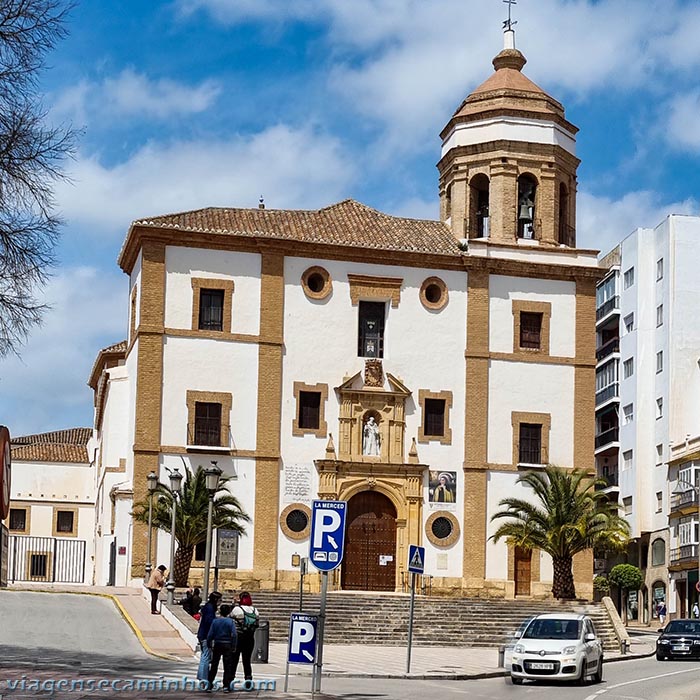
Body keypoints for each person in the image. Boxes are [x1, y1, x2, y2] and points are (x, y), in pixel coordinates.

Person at [230, 591, 259, 683]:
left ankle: (230, 679)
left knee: (234, 660)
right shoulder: (255, 610)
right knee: (247, 661)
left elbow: (230, 616)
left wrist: (234, 604)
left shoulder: (237, 609)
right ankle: (248, 679)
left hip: (238, 637)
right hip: (250, 638)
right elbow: (257, 624)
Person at [208, 603, 237, 691]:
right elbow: (234, 634)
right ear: (228, 612)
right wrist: (234, 645)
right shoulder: (230, 622)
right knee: (227, 665)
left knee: (214, 664)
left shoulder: (215, 621)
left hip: (217, 644)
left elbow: (210, 634)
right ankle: (226, 685)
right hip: (227, 644)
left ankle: (209, 683)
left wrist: (209, 643)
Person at [197, 591, 223, 682]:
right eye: (220, 600)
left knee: (204, 656)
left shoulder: (208, 607)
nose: (221, 602)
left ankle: (202, 676)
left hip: (203, 634)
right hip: (206, 635)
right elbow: (210, 621)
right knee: (206, 657)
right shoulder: (210, 608)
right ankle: (204, 678)